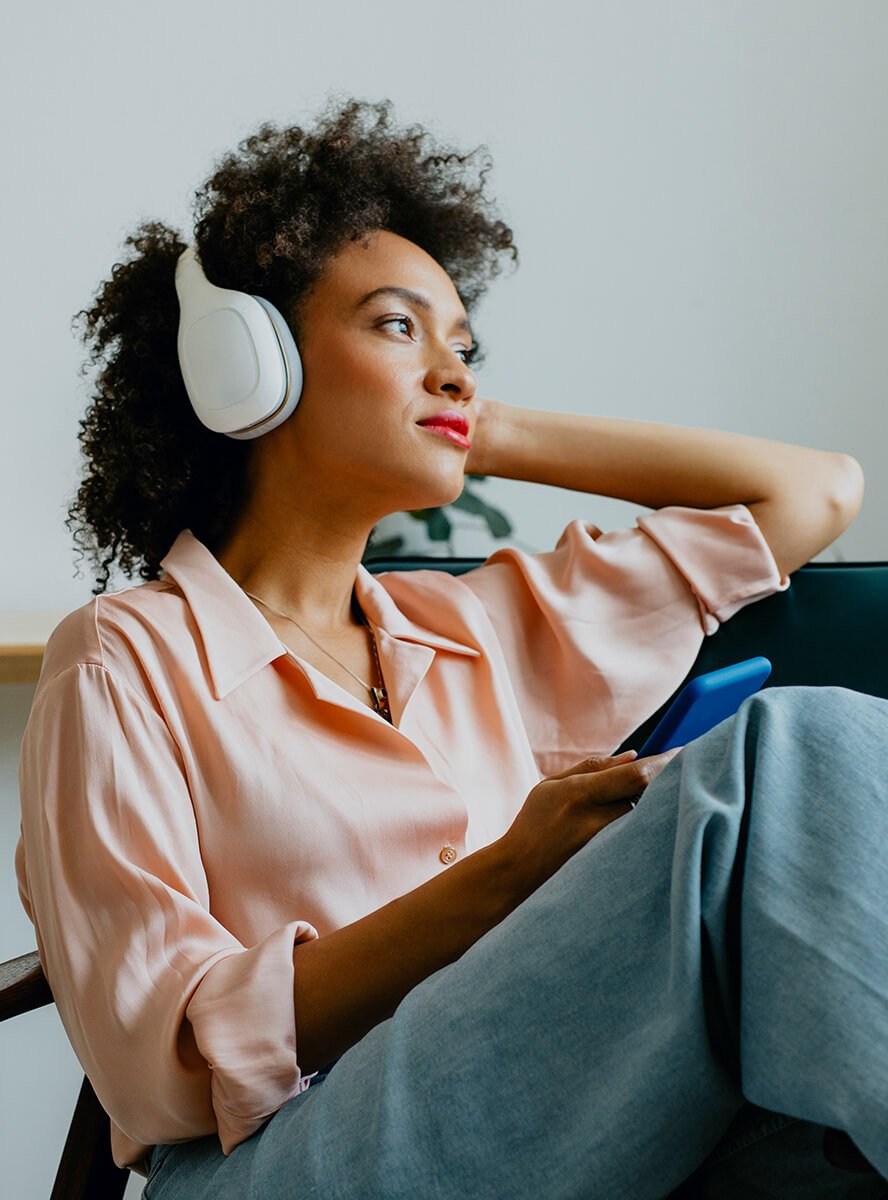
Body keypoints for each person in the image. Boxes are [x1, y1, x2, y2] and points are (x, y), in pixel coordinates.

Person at [14, 95, 886, 1199]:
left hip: (539, 1111)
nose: (454, 369)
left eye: (464, 344)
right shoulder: (123, 658)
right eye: (396, 326)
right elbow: (157, 1067)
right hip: (283, 1160)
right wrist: (508, 876)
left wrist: (482, 426)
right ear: (250, 364)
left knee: (814, 1148)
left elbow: (813, 490)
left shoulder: (467, 627)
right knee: (789, 751)